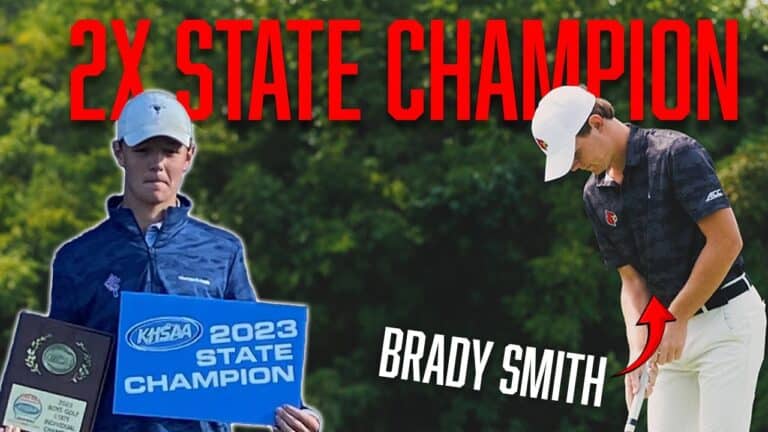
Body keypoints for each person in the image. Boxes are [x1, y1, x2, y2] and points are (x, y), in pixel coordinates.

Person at [1, 90, 321, 432]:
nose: (157, 163)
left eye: (170, 151)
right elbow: (56, 370)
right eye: (143, 150)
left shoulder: (223, 251)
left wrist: (300, 417)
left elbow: (254, 361)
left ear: (189, 156)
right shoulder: (77, 258)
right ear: (120, 152)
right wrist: (22, 419)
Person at [531, 85, 766, 431]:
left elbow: (727, 242)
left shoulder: (675, 154)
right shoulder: (595, 194)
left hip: (725, 326)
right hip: (666, 334)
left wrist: (677, 316)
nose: (574, 166)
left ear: (596, 123)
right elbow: (632, 281)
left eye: (575, 154)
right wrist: (638, 346)